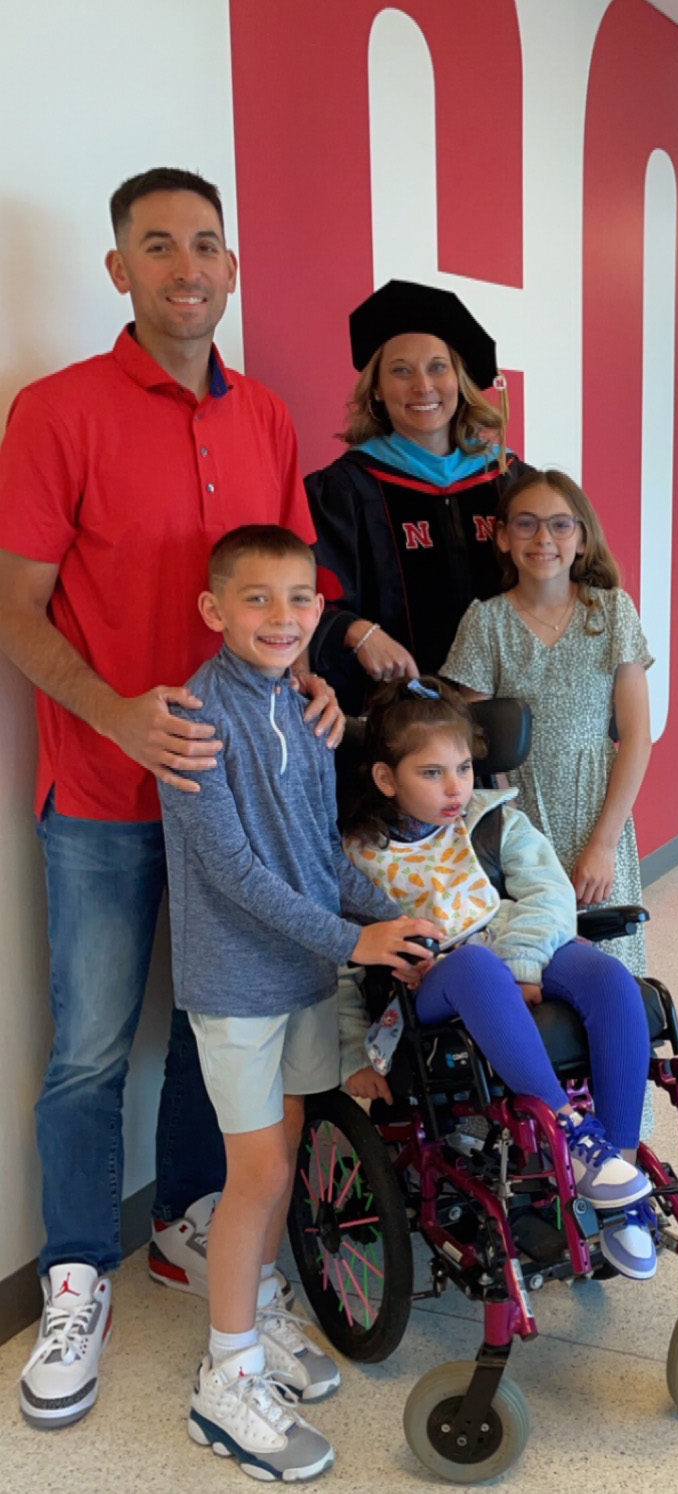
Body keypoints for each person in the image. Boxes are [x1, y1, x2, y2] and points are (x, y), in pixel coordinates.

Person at [0, 167, 341, 1429]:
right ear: (119, 271)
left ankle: (196, 1228)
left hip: (244, 803)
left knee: (225, 1036)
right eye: (157, 246)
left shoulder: (267, 417)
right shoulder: (55, 410)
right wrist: (113, 713)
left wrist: (306, 679)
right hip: (100, 793)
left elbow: (286, 592)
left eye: (205, 244)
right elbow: (15, 608)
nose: (185, 266)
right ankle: (78, 1273)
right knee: (89, 1050)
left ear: (229, 269)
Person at [157, 526, 437, 1480]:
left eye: (299, 599)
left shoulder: (308, 712)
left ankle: (259, 1306)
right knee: (258, 1177)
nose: (282, 617)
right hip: (238, 988)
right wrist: (352, 939)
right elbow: (233, 870)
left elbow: (315, 862)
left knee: (281, 1163)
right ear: (213, 609)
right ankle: (223, 1379)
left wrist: (396, 914)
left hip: (302, 977)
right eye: (256, 599)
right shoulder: (196, 718)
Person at [340, 677, 658, 1280]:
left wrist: (523, 962)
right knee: (477, 965)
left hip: (512, 946)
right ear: (387, 779)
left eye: (462, 767)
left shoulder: (492, 823)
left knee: (610, 978)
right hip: (425, 985)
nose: (456, 785)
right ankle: (570, 1132)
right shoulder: (360, 856)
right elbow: (337, 958)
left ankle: (616, 1177)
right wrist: (346, 1051)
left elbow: (548, 897)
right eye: (431, 773)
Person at [442, 468, 653, 980]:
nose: (544, 540)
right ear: (502, 536)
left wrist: (602, 845)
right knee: (534, 964)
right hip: (520, 817)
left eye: (560, 525)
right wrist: (517, 846)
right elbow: (478, 749)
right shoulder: (485, 622)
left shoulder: (611, 612)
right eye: (527, 524)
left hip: (596, 810)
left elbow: (636, 737)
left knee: (607, 967)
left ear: (581, 538)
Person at [306, 279, 530, 713]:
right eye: (401, 370)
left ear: (459, 379)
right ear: (375, 388)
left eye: (438, 367)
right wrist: (358, 632)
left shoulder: (508, 481)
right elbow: (303, 601)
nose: (422, 386)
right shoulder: (344, 492)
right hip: (394, 728)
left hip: (503, 722)